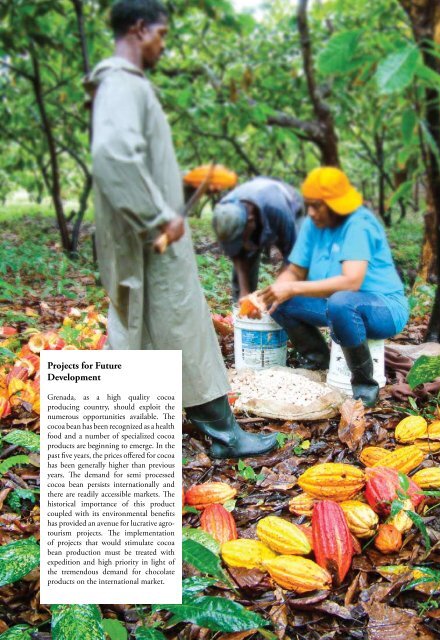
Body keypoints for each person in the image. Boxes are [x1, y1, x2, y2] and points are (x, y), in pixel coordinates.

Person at [89, 0, 278, 458]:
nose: (162, 46)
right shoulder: (120, 83)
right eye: (161, 35)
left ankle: (132, 437)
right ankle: (222, 434)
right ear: (139, 29)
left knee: (140, 329)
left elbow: (130, 155)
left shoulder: (120, 85)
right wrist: (160, 215)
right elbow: (113, 154)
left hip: (137, 240)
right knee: (180, 322)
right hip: (150, 240)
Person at [258, 167, 409, 407]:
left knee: (341, 301)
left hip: (382, 308)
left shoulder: (358, 224)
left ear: (336, 205)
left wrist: (293, 289)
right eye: (309, 204)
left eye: (317, 205)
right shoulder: (313, 224)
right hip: (338, 304)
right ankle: (318, 361)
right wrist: (277, 290)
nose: (311, 212)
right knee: (278, 301)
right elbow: (296, 269)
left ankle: (363, 385)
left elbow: (352, 281)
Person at [212, 177, 304, 300]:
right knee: (242, 289)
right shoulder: (223, 218)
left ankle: (291, 308)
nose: (241, 245)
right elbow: (237, 255)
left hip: (291, 206)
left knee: (294, 274)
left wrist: (276, 291)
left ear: (250, 221)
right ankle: (241, 312)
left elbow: (293, 257)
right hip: (257, 210)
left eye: (241, 239)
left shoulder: (277, 209)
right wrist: (244, 292)